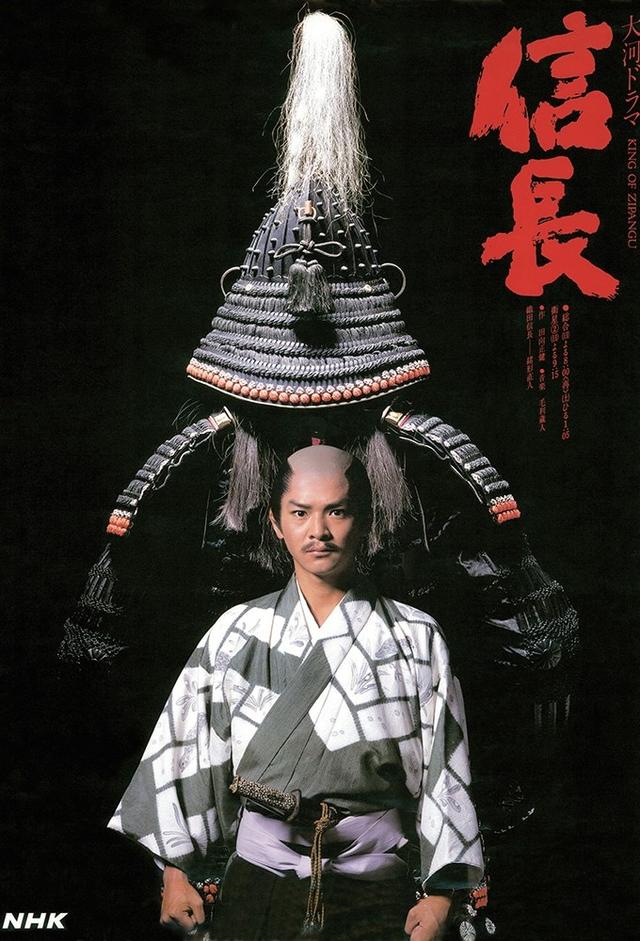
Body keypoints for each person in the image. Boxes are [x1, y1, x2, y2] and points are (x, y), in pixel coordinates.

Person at [108, 446, 483, 941]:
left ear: (365, 520)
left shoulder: (417, 636)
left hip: (376, 890)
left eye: (337, 512)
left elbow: (446, 769)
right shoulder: (236, 632)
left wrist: (441, 898)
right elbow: (186, 755)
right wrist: (176, 876)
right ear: (276, 522)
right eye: (300, 513)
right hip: (257, 883)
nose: (318, 531)